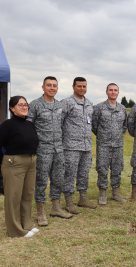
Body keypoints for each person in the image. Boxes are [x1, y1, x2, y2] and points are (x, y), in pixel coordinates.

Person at [0, 96, 39, 238]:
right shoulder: (7, 125)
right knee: (13, 197)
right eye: (20, 105)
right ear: (12, 108)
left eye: (26, 105)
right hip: (14, 163)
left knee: (27, 194)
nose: (24, 107)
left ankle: (27, 224)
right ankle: (16, 230)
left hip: (31, 162)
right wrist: (2, 160)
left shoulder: (29, 124)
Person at [27, 76, 73, 227]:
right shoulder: (35, 105)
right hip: (42, 150)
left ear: (57, 88)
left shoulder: (60, 105)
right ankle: (40, 211)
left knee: (58, 179)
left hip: (58, 149)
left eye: (54, 86)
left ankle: (55, 207)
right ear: (43, 87)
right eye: (49, 85)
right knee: (40, 181)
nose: (52, 88)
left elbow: (62, 125)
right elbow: (28, 127)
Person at [61, 77, 96, 213]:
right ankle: (68, 201)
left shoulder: (89, 104)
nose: (82, 89)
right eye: (79, 86)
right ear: (73, 86)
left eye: (84, 86)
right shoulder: (67, 102)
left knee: (84, 173)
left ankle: (83, 198)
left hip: (86, 146)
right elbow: (59, 122)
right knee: (69, 173)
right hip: (71, 146)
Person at [92, 83, 128, 205]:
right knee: (102, 169)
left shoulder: (122, 108)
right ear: (106, 92)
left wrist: (116, 135)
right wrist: (103, 135)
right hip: (103, 144)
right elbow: (94, 125)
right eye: (111, 90)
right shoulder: (99, 108)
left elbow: (125, 126)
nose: (113, 92)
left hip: (118, 144)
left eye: (115, 90)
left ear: (118, 92)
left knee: (117, 168)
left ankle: (116, 193)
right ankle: (102, 194)